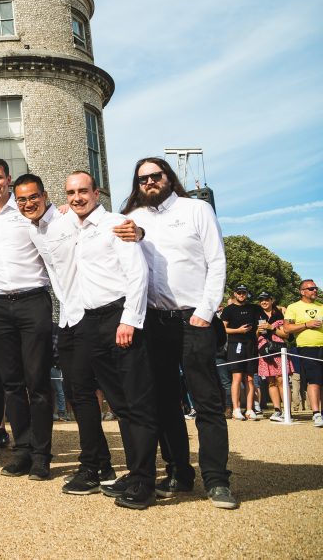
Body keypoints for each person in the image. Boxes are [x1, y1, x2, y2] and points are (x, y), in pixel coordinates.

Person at [123, 156, 236, 509]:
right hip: (155, 322)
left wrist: (205, 311)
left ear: (169, 177)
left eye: (155, 176)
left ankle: (217, 479)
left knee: (206, 402)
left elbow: (217, 262)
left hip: (194, 318)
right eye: (142, 179)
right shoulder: (134, 218)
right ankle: (178, 471)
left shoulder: (196, 210)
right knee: (164, 402)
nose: (149, 183)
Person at [45, 171, 157, 509]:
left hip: (118, 317)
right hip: (88, 321)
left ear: (97, 192)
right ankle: (132, 474)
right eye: (71, 193)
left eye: (83, 191)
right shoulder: (70, 227)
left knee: (133, 402)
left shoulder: (117, 224)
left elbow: (138, 274)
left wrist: (130, 320)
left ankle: (144, 480)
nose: (77, 197)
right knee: (116, 401)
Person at [15, 173, 117, 492]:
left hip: (94, 314)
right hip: (68, 317)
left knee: (106, 394)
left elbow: (90, 218)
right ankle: (102, 465)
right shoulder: (32, 230)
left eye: (34, 197)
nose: (29, 203)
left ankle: (105, 467)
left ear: (45, 197)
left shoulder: (67, 219)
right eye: (22, 199)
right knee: (76, 395)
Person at [0, 158, 55, 480]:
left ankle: (42, 454)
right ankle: (22, 450)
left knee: (38, 383)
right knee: (11, 385)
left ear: (8, 179)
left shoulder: (27, 211)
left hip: (32, 300)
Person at [283, 279, 322, 427]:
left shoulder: (321, 306)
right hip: (307, 347)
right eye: (311, 288)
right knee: (314, 380)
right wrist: (307, 324)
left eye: (315, 288)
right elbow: (287, 329)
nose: (314, 291)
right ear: (302, 291)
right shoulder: (293, 307)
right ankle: (316, 413)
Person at [221, 285, 263, 421]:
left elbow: (263, 321)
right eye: (239, 292)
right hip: (235, 345)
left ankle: (250, 410)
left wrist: (258, 332)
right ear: (235, 294)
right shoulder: (228, 310)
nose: (241, 294)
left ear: (247, 294)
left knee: (250, 378)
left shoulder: (254, 308)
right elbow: (223, 329)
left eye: (244, 292)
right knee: (237, 378)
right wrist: (238, 330)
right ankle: (236, 409)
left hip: (251, 345)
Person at [256, 292, 292, 422]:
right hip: (264, 350)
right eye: (261, 300)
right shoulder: (257, 314)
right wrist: (258, 331)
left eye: (266, 299)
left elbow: (286, 335)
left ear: (272, 300)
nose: (264, 302)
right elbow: (254, 337)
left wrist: (271, 327)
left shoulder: (280, 313)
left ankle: (287, 410)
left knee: (282, 380)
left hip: (278, 349)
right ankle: (277, 410)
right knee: (271, 381)